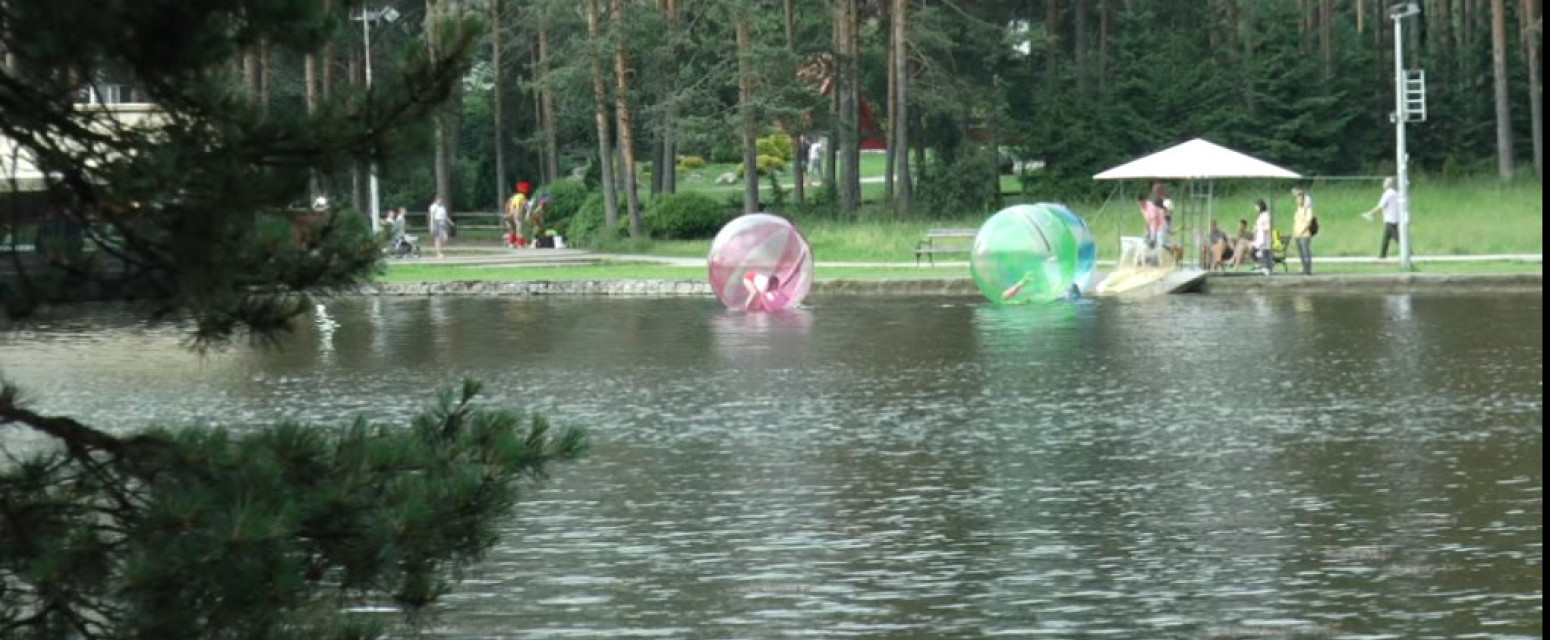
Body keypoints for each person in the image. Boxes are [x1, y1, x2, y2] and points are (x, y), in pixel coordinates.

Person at [1363, 177, 1403, 259]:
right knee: (1386, 237)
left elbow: (1380, 206)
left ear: (1387, 185)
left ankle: (1408, 251)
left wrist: (1371, 213)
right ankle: (1382, 254)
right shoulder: (1397, 193)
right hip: (1396, 218)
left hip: (1390, 219)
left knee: (1397, 237)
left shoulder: (1387, 194)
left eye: (1384, 183)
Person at [1292, 185, 1315, 275]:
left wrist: (1302, 231)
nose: (1297, 200)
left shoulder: (1307, 209)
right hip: (1298, 234)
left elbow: (1309, 220)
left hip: (1304, 234)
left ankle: (1307, 269)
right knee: (1301, 252)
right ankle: (1303, 267)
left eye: (1299, 199)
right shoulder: (1299, 209)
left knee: (1305, 252)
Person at [1252, 199, 1275, 275]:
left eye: (1256, 206)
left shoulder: (1266, 215)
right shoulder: (1261, 215)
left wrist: (1259, 228)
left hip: (1265, 237)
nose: (1255, 208)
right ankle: (1266, 267)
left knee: (1265, 252)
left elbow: (1268, 227)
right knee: (1262, 252)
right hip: (1261, 237)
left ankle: (1267, 267)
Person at [505, 182, 530, 248]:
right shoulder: (523, 197)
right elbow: (523, 205)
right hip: (517, 213)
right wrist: (522, 213)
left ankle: (511, 244)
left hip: (510, 213)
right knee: (519, 229)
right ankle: (520, 244)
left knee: (512, 229)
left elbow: (507, 205)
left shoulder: (513, 197)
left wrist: (508, 213)